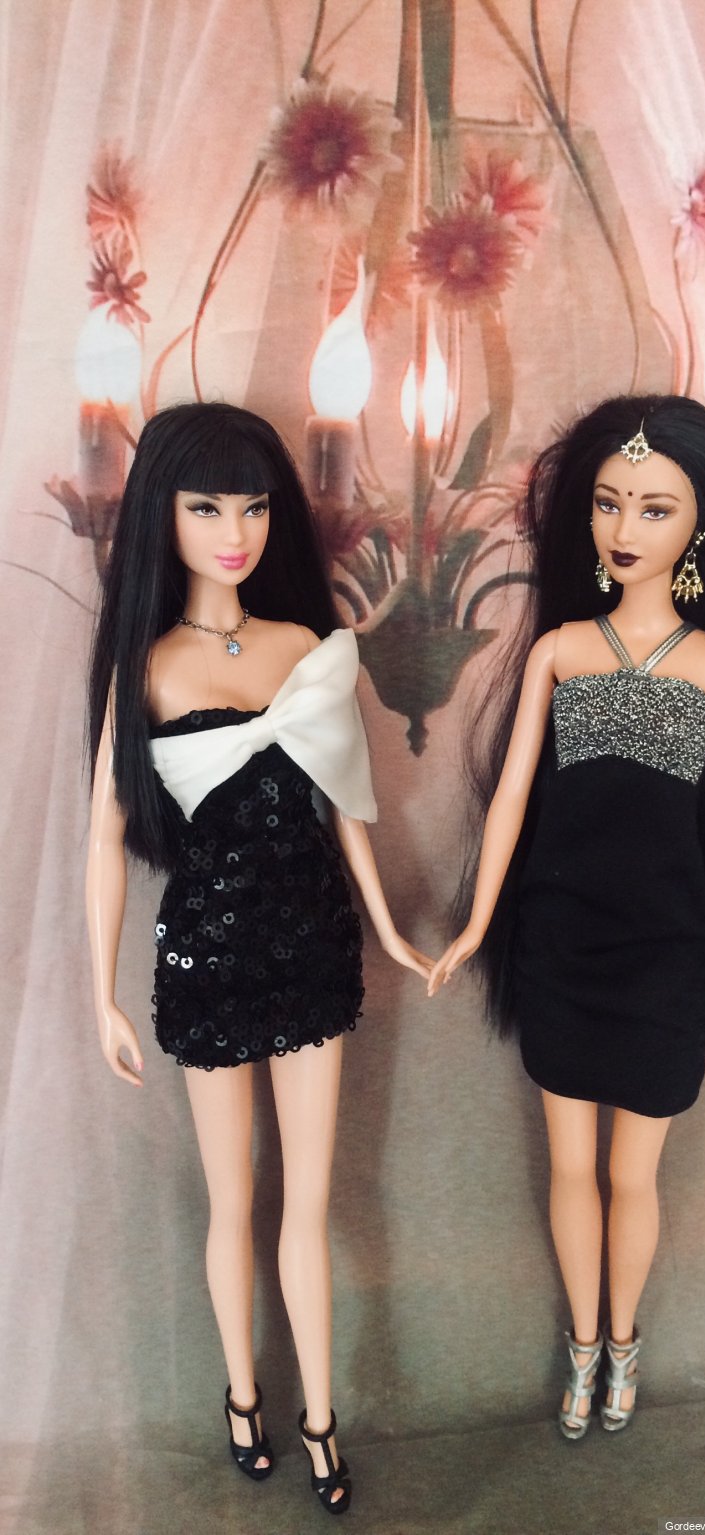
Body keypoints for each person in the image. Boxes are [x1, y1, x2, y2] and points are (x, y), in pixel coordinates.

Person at [428, 394, 705, 1440]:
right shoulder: (561, 649)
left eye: (655, 508)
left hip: (668, 952)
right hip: (563, 939)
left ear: (699, 527)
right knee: (573, 1165)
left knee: (630, 1170)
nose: (623, 528)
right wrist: (478, 923)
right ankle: (584, 1345)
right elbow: (511, 798)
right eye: (609, 502)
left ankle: (624, 1339)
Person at [87, 401, 430, 1515]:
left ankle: (319, 1416)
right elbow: (103, 836)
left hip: (312, 944)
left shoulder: (299, 647)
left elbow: (344, 801)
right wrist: (99, 992)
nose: (233, 531)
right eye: (206, 507)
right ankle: (243, 1396)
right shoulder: (147, 666)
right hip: (207, 953)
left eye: (252, 507)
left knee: (310, 1199)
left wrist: (385, 925)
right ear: (164, 515)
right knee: (230, 1198)